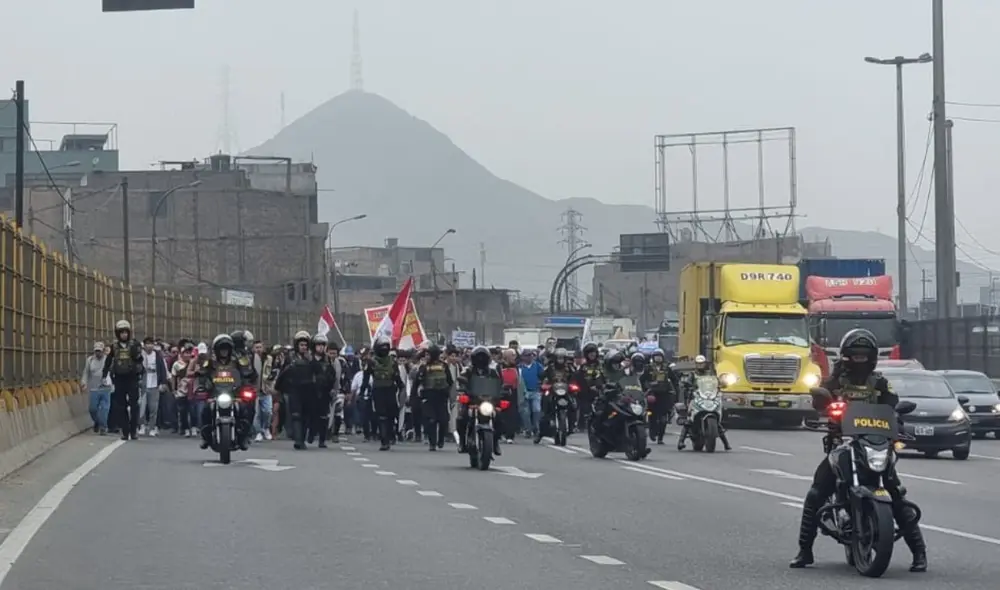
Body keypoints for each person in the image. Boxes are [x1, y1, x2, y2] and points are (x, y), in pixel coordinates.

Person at [789, 328, 927, 572]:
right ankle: (805, 550)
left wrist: (899, 422)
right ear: (846, 356)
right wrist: (824, 406)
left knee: (896, 494)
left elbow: (892, 406)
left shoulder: (881, 382)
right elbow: (820, 399)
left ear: (872, 357)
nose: (860, 359)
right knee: (816, 493)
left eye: (865, 355)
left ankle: (919, 554)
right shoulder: (835, 381)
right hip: (843, 446)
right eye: (856, 355)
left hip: (875, 445)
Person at [197, 334, 249, 450]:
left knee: (244, 409)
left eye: (226, 348)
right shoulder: (210, 362)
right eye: (221, 348)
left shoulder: (237, 362)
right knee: (205, 410)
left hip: (234, 395)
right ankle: (205, 437)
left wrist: (245, 387)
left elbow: (247, 374)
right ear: (217, 350)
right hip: (215, 394)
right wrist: (201, 387)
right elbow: (202, 375)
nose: (224, 351)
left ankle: (243, 438)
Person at [456, 346, 503, 456]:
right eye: (479, 357)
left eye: (483, 357)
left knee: (500, 417)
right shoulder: (467, 371)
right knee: (461, 417)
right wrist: (463, 389)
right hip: (473, 401)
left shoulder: (492, 372)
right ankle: (462, 442)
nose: (481, 360)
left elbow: (499, 384)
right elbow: (461, 381)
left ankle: (495, 442)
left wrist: (503, 391)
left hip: (488, 401)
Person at [360, 337, 405, 451]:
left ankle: (388, 438)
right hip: (381, 391)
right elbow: (366, 380)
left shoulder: (390, 362)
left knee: (387, 416)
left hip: (386, 391)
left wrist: (402, 391)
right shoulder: (372, 362)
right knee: (383, 416)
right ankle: (385, 439)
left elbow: (398, 378)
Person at [102, 320, 144, 441]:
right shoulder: (113, 347)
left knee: (134, 405)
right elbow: (108, 362)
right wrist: (104, 376)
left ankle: (133, 430)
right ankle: (125, 431)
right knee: (121, 406)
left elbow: (139, 361)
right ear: (118, 334)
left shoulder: (134, 345)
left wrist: (137, 355)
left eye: (126, 332)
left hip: (132, 379)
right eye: (121, 332)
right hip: (119, 379)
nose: (124, 335)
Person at [411, 344, 454, 451]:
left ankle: (441, 440)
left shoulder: (444, 366)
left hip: (442, 397)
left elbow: (450, 382)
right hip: (428, 398)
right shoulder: (424, 367)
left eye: (428, 354)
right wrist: (414, 398)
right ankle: (432, 443)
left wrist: (451, 395)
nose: (426, 356)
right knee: (431, 420)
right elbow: (416, 383)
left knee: (443, 420)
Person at [275, 331, 313, 450]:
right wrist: (278, 388)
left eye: (305, 345)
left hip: (308, 391)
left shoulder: (311, 359)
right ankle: (298, 440)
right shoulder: (290, 358)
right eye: (301, 345)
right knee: (296, 415)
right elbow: (282, 373)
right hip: (294, 391)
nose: (304, 347)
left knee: (306, 416)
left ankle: (303, 438)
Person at [536, 347, 574, 443]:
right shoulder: (550, 366)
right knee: (545, 406)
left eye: (562, 358)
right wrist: (543, 384)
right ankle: (541, 432)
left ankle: (572, 425)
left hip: (565, 391)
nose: (560, 360)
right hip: (552, 390)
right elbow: (541, 375)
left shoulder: (569, 367)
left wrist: (574, 385)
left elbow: (575, 376)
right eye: (558, 358)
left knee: (573, 405)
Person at [306, 333, 337, 448]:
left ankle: (322, 440)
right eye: (318, 345)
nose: (321, 347)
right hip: (312, 392)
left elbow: (333, 376)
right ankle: (311, 433)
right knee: (312, 415)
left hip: (324, 393)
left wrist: (330, 387)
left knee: (324, 417)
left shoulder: (328, 362)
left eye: (323, 345)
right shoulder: (310, 360)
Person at [640, 348, 676, 445]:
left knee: (663, 418)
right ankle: (652, 432)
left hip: (664, 395)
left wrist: (674, 391)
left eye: (660, 357)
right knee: (652, 415)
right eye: (656, 357)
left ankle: (660, 437)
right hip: (652, 395)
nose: (658, 359)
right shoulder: (648, 368)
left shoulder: (667, 368)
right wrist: (645, 390)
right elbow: (641, 380)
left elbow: (674, 380)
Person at [572, 342, 604, 431]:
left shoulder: (602, 366)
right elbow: (576, 379)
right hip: (585, 394)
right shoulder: (583, 367)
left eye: (594, 352)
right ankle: (580, 424)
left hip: (601, 392)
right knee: (582, 407)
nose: (592, 354)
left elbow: (606, 378)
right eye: (590, 353)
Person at [82, 342, 112, 434]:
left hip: (105, 387)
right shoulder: (90, 360)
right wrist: (84, 382)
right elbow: (86, 372)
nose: (98, 353)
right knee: (93, 409)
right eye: (96, 351)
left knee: (104, 409)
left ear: (103, 351)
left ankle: (103, 427)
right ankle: (97, 422)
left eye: (99, 351)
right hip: (94, 388)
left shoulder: (108, 360)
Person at [517, 348, 544, 441]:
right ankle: (528, 430)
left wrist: (542, 384)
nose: (530, 357)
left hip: (536, 391)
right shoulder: (519, 367)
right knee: (525, 412)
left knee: (536, 410)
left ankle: (536, 429)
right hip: (524, 392)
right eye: (527, 355)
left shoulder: (538, 366)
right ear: (523, 357)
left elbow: (543, 376)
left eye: (531, 355)